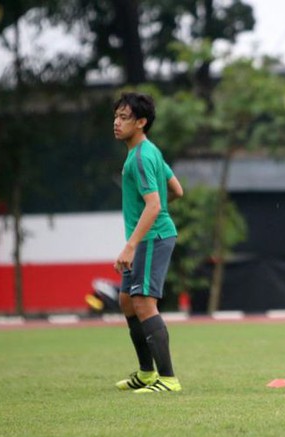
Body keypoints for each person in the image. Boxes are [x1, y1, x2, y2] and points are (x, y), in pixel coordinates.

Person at [112, 92, 184, 393]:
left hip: (151, 237)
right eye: (115, 116)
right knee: (127, 300)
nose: (116, 123)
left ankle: (168, 379)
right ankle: (146, 373)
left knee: (143, 301)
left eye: (124, 118)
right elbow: (176, 190)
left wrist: (131, 245)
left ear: (141, 122)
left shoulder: (140, 157)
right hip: (151, 236)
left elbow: (154, 205)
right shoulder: (148, 151)